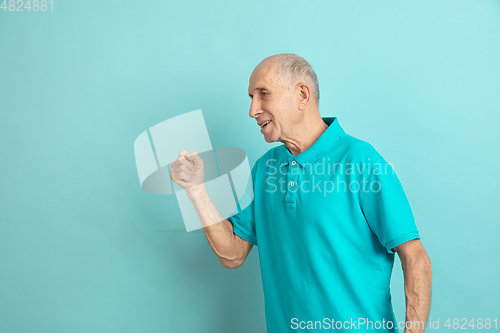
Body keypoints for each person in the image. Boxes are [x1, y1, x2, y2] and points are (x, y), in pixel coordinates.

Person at [170, 54, 432, 333]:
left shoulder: (360, 161)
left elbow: (415, 257)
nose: (252, 110)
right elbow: (232, 255)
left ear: (302, 95)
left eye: (263, 94)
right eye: (251, 97)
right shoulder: (265, 170)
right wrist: (197, 192)